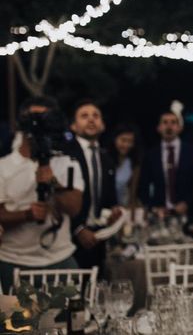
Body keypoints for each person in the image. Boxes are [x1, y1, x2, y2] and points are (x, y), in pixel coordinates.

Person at [0, 97, 84, 289]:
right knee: (15, 320)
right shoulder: (3, 167)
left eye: (45, 118)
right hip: (13, 263)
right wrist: (26, 215)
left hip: (60, 260)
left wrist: (53, 182)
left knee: (72, 319)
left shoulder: (67, 163)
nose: (38, 124)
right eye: (33, 118)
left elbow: (74, 208)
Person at [66, 100, 119, 270]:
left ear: (102, 125)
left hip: (99, 237)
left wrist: (113, 212)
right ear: (74, 126)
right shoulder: (66, 154)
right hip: (70, 240)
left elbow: (109, 198)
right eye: (84, 116)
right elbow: (60, 199)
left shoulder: (107, 158)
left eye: (95, 116)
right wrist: (78, 229)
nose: (91, 120)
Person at [137, 111, 193, 215]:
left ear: (179, 128)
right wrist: (153, 207)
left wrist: (187, 203)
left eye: (173, 122)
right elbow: (143, 187)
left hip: (188, 215)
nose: (169, 126)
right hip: (159, 216)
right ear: (158, 128)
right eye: (165, 122)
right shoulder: (150, 155)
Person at [111, 125, 140, 208]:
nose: (126, 145)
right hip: (105, 209)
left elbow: (132, 193)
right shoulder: (105, 159)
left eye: (130, 141)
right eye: (123, 140)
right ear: (115, 139)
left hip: (123, 208)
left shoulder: (134, 163)